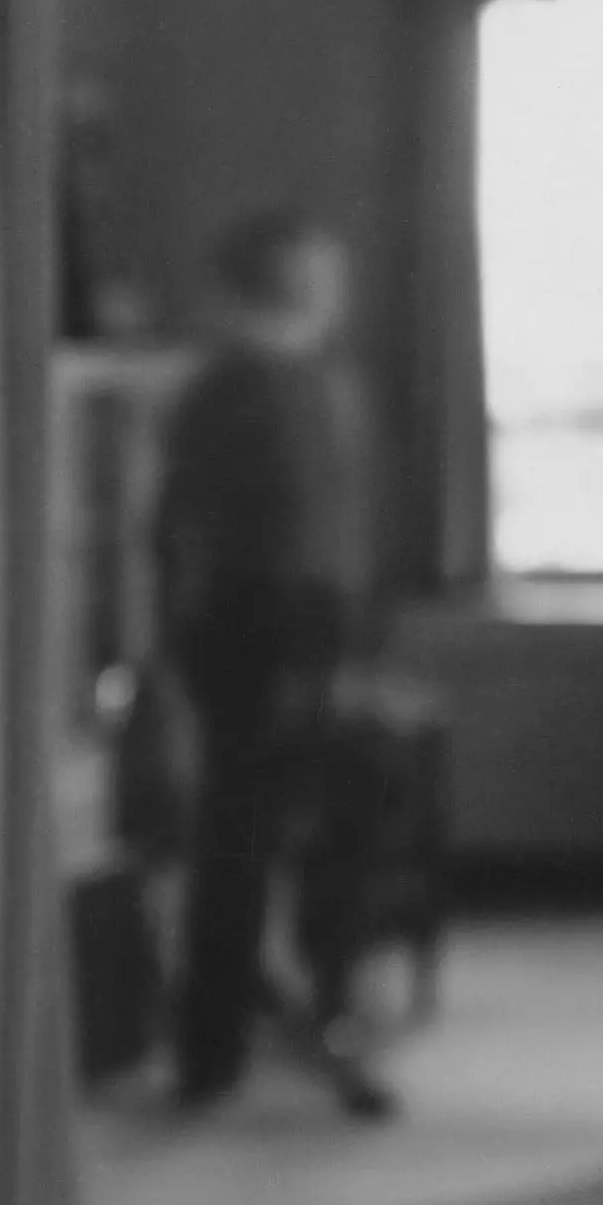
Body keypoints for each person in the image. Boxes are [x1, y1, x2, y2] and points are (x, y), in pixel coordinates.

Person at [149, 208, 391, 1118]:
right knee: (239, 844)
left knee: (336, 830)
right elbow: (182, 531)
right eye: (316, 272)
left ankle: (323, 1017)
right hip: (254, 633)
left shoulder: (321, 384)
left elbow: (340, 532)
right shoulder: (228, 392)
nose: (334, 289)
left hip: (317, 632)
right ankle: (215, 1044)